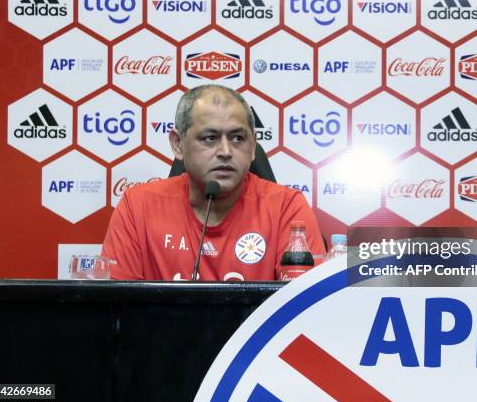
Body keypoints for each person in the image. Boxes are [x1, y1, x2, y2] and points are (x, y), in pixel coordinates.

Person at [102, 85, 325, 281]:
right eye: (210, 138)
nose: (226, 152)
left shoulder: (287, 207)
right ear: (178, 144)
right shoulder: (138, 205)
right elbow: (117, 310)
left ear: (253, 145)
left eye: (237, 138)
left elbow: (304, 310)